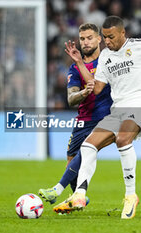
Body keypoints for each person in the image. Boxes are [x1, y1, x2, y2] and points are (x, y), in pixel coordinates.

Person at [54, 16, 141, 219]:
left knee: (122, 138)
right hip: (118, 107)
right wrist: (79, 64)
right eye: (105, 37)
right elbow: (98, 87)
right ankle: (80, 194)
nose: (107, 41)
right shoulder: (105, 58)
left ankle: (130, 195)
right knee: (88, 145)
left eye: (111, 37)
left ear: (122, 33)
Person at [38, 23, 112, 207]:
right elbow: (71, 99)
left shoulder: (109, 61)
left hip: (106, 118)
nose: (85, 42)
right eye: (82, 39)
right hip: (83, 120)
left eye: (89, 38)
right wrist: (83, 93)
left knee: (87, 149)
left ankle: (57, 189)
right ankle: (78, 198)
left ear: (99, 39)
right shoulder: (75, 69)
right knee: (72, 160)